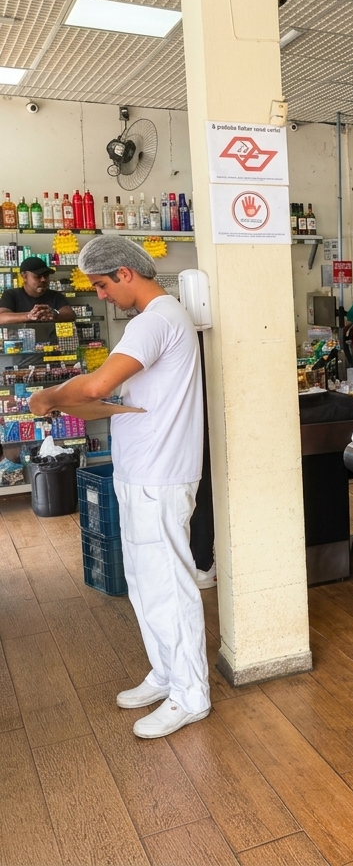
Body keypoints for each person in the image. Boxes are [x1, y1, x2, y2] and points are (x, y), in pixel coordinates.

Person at [29, 236, 206, 739]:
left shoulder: (157, 319)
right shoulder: (151, 321)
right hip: (140, 471)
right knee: (145, 581)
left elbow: (96, 387)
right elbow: (113, 386)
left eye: (103, 285)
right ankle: (167, 672)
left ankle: (191, 693)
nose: (101, 295)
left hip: (160, 474)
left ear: (126, 273)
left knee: (169, 585)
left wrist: (49, 395)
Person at [0, 257, 76, 353]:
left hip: (52, 353)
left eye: (46, 275)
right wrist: (29, 316)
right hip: (20, 354)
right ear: (24, 276)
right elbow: (1, 317)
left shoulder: (55, 295)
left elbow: (70, 314)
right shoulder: (11, 295)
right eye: (38, 276)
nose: (43, 280)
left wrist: (54, 315)